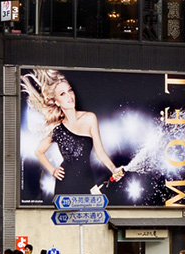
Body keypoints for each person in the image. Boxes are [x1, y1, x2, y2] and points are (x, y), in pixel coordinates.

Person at [21, 69, 125, 197]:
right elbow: (38, 151)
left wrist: (113, 169)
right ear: (56, 101)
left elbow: (100, 151)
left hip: (87, 181)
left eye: (70, 90)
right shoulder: (58, 129)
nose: (69, 96)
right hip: (65, 184)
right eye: (63, 94)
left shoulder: (89, 118)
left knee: (90, 215)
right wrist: (53, 171)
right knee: (66, 216)